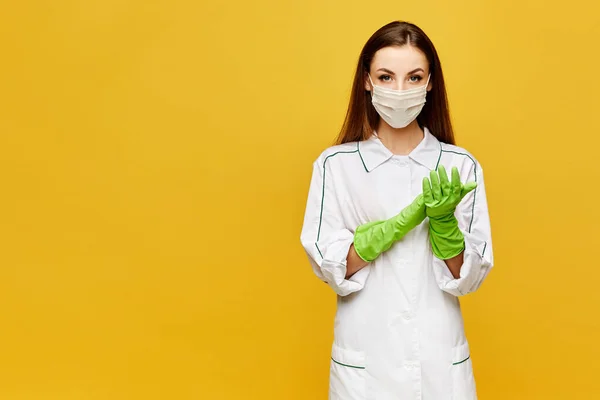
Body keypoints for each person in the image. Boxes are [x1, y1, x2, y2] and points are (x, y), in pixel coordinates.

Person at [300, 21, 494, 399]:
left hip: (441, 363)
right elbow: (329, 263)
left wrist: (444, 227)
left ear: (431, 82)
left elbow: (468, 278)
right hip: (366, 367)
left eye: (414, 77)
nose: (400, 90)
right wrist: (389, 230)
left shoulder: (460, 167)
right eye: (386, 77)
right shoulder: (335, 165)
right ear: (367, 81)